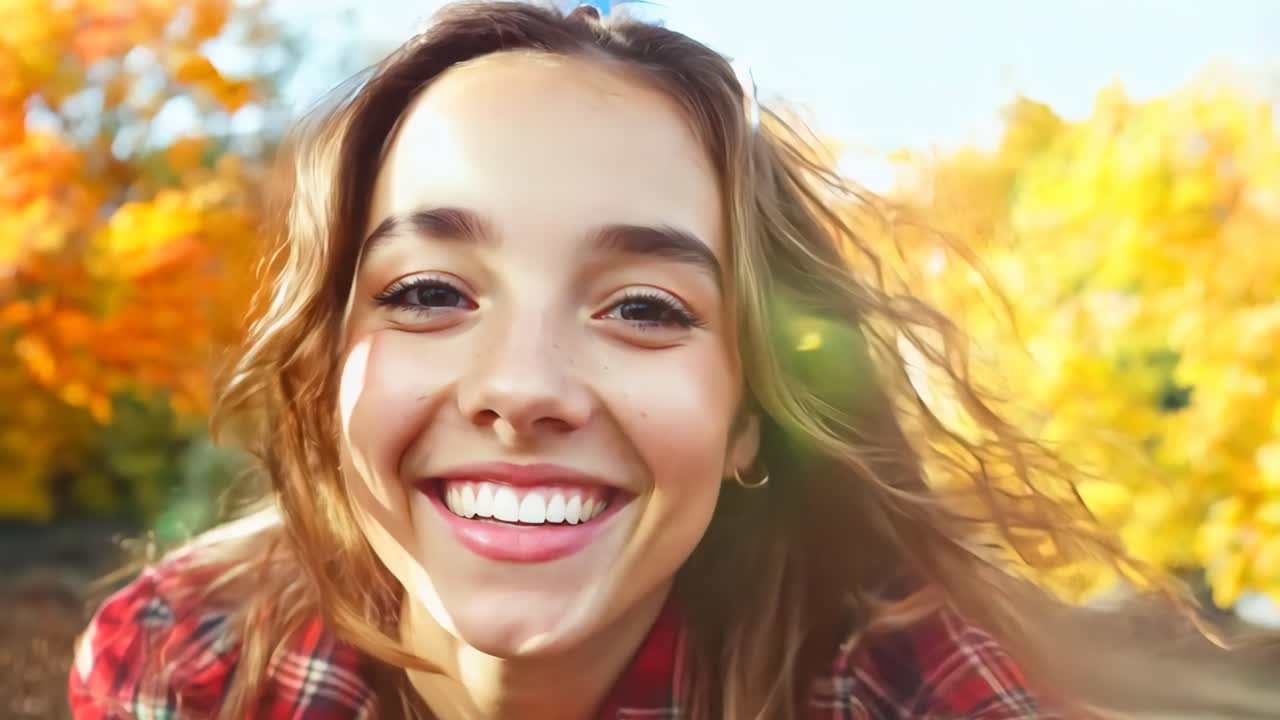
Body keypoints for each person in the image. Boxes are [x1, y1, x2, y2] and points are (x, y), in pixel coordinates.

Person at [68, 3, 1280, 719]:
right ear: (329, 375)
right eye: (427, 292)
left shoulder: (894, 683)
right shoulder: (186, 660)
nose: (523, 387)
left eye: (644, 308)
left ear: (749, 413)